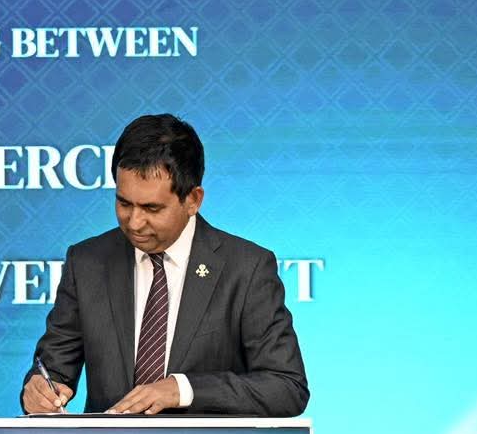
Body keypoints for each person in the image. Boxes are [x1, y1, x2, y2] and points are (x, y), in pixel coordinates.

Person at [21, 114, 307, 416]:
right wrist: (38, 391)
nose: (134, 222)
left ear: (193, 200)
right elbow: (52, 371)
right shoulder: (87, 263)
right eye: (124, 203)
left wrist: (183, 389)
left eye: (152, 208)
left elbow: (286, 387)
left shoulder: (246, 268)